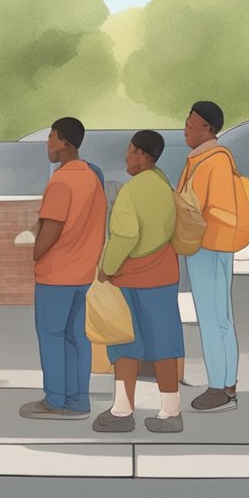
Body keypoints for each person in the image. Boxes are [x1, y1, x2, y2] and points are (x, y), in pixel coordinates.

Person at [94, 131, 185, 433]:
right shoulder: (163, 186)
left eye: (132, 152)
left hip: (130, 278)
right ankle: (171, 411)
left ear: (144, 155)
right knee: (165, 344)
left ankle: (122, 411)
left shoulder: (132, 191)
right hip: (164, 275)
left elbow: (125, 236)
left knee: (125, 344)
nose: (127, 157)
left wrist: (107, 267)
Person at [21, 117, 108, 421]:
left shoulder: (61, 181)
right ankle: (78, 401)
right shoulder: (92, 177)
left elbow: (52, 227)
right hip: (85, 273)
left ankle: (55, 399)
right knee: (77, 337)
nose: (48, 142)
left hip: (56, 274)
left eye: (52, 137)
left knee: (51, 335)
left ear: (66, 143)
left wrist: (34, 252)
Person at [181, 101, 249, 412]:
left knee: (213, 319)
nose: (186, 128)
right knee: (220, 319)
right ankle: (226, 385)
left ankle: (220, 389)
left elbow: (204, 209)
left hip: (207, 247)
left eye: (191, 124)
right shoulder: (207, 158)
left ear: (207, 129)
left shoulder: (212, 161)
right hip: (212, 247)